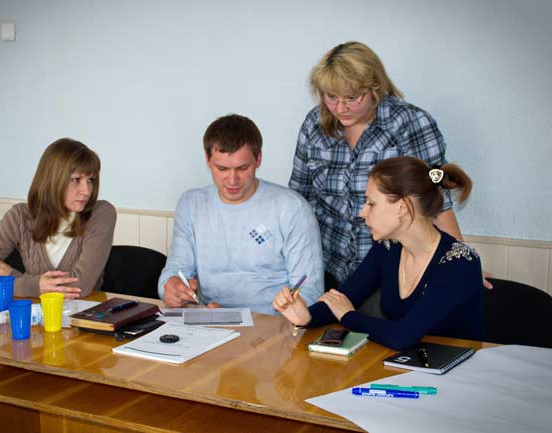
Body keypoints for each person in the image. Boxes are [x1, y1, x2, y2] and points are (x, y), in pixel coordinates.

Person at [289, 41, 491, 292]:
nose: (340, 108)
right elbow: (300, 199)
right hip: (328, 267)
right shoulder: (314, 124)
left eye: (352, 98)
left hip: (391, 270)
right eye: (331, 97)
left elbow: (437, 202)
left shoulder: (409, 123)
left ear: (374, 88)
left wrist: (460, 265)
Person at [274, 156, 483, 350]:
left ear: (402, 207)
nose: (362, 212)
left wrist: (348, 315)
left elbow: (402, 336)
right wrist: (306, 317)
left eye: (371, 203)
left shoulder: (460, 263)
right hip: (409, 364)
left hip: (458, 371)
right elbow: (342, 299)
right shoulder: (388, 248)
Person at [158, 114, 324, 314]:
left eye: (243, 168)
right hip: (211, 319)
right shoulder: (191, 204)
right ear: (208, 160)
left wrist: (289, 309)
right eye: (222, 168)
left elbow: (310, 290)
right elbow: (175, 272)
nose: (232, 180)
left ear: (258, 159)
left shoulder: (292, 208)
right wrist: (171, 289)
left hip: (274, 322)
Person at [0, 138, 116, 299]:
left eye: (90, 180)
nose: (87, 190)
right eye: (76, 180)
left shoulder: (101, 213)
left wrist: (13, 277)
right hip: (35, 312)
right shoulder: (19, 216)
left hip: (84, 313)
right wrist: (34, 285)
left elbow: (79, 288)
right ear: (52, 179)